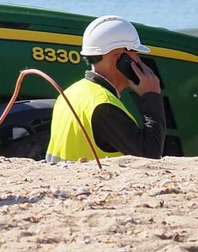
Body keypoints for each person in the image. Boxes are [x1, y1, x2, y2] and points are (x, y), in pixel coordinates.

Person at [46, 15, 166, 162]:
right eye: (136, 53)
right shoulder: (104, 105)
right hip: (89, 183)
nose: (139, 61)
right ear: (119, 59)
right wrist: (152, 96)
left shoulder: (68, 93)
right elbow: (150, 154)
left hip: (67, 182)